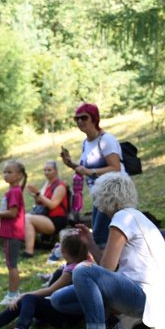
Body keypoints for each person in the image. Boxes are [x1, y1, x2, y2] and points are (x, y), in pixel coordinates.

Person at [49, 173, 165, 329]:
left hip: (144, 297)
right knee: (59, 299)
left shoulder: (122, 218)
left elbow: (106, 268)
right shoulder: (134, 216)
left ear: (105, 196)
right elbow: (108, 267)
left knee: (82, 270)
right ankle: (110, 318)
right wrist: (89, 242)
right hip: (139, 292)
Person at [59, 103, 125, 247]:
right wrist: (70, 163)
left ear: (94, 119)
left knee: (102, 237)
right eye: (77, 119)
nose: (80, 122)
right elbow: (85, 169)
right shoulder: (86, 142)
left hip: (112, 196)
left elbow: (115, 168)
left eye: (84, 118)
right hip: (99, 196)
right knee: (101, 237)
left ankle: (107, 267)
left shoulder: (106, 140)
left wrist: (90, 172)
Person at [0, 161, 27, 306]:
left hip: (13, 232)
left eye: (9, 172)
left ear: (19, 175)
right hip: (11, 232)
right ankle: (13, 293)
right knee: (10, 263)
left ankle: (12, 295)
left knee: (12, 264)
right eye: (4, 172)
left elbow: (12, 213)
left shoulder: (14, 192)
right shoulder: (12, 191)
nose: (6, 175)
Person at [23, 160, 70, 257]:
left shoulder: (60, 186)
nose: (46, 172)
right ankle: (34, 246)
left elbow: (52, 205)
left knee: (26, 218)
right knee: (25, 218)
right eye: (45, 170)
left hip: (57, 220)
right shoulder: (47, 184)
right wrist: (34, 195)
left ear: (56, 171)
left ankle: (29, 251)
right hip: (45, 217)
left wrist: (38, 193)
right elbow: (40, 202)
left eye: (49, 170)